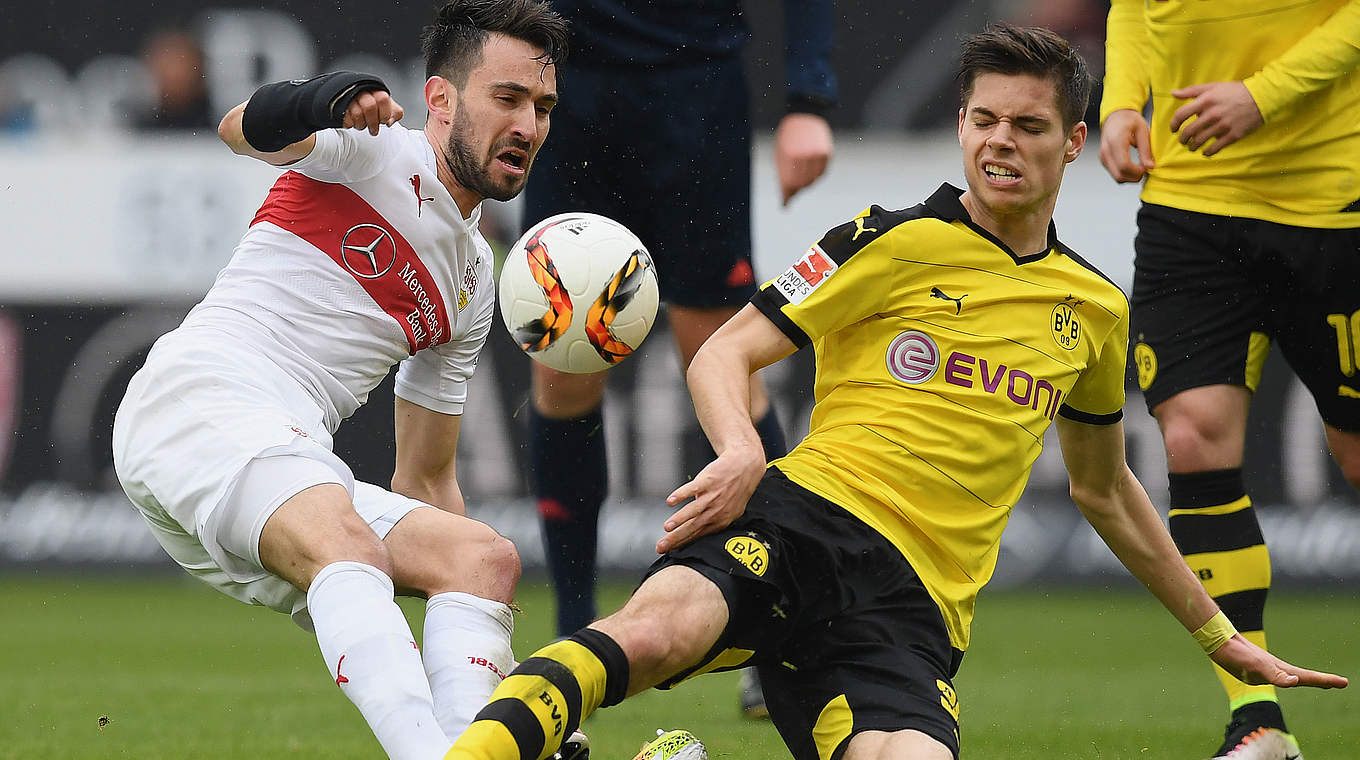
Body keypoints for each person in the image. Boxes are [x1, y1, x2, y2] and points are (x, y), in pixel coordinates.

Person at [438, 24, 1349, 760]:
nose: (1000, 142)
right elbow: (723, 350)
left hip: (913, 612)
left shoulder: (1094, 308)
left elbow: (1106, 489)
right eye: (984, 119)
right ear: (961, 124)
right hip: (799, 523)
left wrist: (1215, 632)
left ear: (1073, 141)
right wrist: (744, 452)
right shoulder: (887, 239)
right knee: (654, 634)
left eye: (1028, 127)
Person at [111, 3, 573, 759]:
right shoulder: (374, 153)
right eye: (508, 98)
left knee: (481, 559)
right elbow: (238, 127)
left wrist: (494, 671)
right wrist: (330, 96)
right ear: (442, 99)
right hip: (200, 396)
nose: (528, 125)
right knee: (346, 543)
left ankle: (475, 743)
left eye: (543, 107)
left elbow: (426, 481)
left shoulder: (473, 283)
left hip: (278, 462)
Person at [517, 0, 836, 718]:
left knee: (721, 360)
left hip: (693, 92)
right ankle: (573, 631)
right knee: (565, 367)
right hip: (569, 98)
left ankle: (773, 629)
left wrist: (807, 97)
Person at [1098, 1, 1360, 757]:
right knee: (1189, 438)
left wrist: (1262, 93)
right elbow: (1134, 8)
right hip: (1191, 206)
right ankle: (1257, 718)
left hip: (1331, 206)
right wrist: (1122, 104)